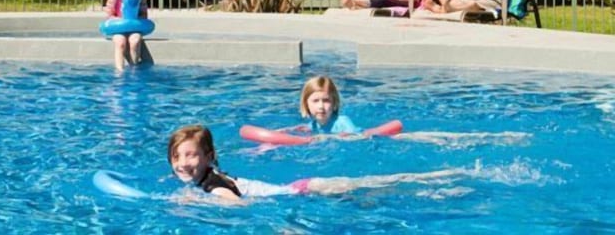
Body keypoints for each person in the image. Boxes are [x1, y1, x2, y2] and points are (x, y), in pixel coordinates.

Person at [168, 124, 473, 202]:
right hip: (301, 188)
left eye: (191, 155)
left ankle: (444, 180)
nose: (182, 163)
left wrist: (201, 204)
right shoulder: (208, 176)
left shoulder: (213, 186)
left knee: (385, 186)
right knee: (377, 189)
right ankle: (440, 182)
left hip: (304, 190)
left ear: (209, 157)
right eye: (177, 156)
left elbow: (236, 204)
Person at [103, 0, 148, 70]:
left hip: (134, 28)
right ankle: (120, 71)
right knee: (120, 42)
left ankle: (134, 69)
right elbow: (108, 15)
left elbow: (144, 14)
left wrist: (137, 20)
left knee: (135, 40)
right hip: (118, 28)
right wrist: (120, 20)